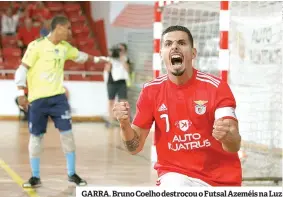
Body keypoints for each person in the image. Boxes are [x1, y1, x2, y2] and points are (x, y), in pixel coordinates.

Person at [113, 25, 242, 187]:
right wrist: (124, 124)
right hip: (175, 174)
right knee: (173, 185)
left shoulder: (217, 87)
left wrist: (227, 136)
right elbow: (134, 148)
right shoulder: (151, 91)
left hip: (221, 179)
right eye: (168, 44)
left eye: (181, 43)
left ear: (193, 53)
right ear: (161, 54)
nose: (174, 46)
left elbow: (234, 145)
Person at [14, 15, 109, 188]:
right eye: (68, 28)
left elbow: (80, 56)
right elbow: (22, 70)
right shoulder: (36, 46)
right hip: (37, 100)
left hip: (58, 99)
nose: (70, 32)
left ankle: (72, 174)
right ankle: (35, 176)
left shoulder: (65, 48)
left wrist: (98, 59)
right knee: (36, 138)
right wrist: (21, 92)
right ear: (58, 28)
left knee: (67, 135)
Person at [104, 43, 131, 127]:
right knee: (111, 101)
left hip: (121, 82)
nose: (119, 51)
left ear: (125, 51)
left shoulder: (126, 59)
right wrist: (110, 61)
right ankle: (111, 120)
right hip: (111, 82)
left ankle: (125, 121)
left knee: (123, 102)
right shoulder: (110, 59)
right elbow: (107, 70)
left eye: (121, 50)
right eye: (118, 50)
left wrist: (122, 60)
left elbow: (128, 70)